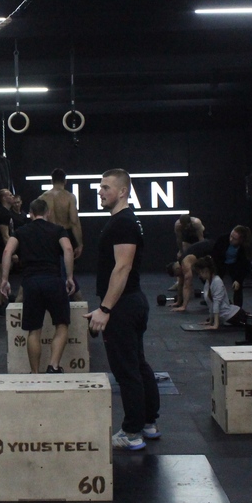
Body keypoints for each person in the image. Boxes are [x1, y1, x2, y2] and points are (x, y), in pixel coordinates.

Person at [84, 170, 160, 450]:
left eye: (106, 187)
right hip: (129, 302)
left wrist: (105, 308)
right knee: (137, 364)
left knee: (127, 370)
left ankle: (132, 432)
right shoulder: (123, 221)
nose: (100, 192)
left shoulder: (123, 222)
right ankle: (148, 423)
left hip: (123, 306)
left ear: (123, 191)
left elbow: (123, 268)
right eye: (100, 187)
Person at [0, 199, 76, 373]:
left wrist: (4, 279)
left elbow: (7, 251)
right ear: (48, 213)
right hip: (54, 281)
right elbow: (68, 249)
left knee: (34, 331)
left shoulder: (21, 231)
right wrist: (69, 277)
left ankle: (35, 373)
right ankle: (53, 366)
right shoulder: (58, 230)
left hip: (31, 283)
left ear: (31, 214)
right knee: (62, 324)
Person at [187, 257, 248, 330]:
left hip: (235, 315)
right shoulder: (208, 282)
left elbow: (216, 304)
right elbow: (211, 304)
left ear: (206, 270)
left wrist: (215, 325)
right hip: (224, 316)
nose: (199, 276)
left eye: (200, 273)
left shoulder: (217, 282)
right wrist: (210, 321)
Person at [40, 169, 83, 259]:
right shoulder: (70, 197)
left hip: (49, 235)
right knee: (67, 265)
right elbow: (74, 221)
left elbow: (38, 221)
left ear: (51, 181)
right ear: (65, 181)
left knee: (50, 264)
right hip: (65, 234)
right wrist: (79, 244)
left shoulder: (42, 198)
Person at [212, 225, 252, 307]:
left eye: (234, 239)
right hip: (221, 262)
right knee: (215, 283)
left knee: (238, 286)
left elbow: (244, 266)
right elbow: (215, 255)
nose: (231, 239)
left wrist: (238, 280)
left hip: (235, 265)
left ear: (241, 240)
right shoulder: (223, 239)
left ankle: (238, 308)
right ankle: (215, 303)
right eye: (231, 236)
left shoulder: (246, 247)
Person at [170, 237, 214, 312]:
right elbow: (180, 284)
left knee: (212, 279)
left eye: (177, 275)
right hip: (209, 248)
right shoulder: (181, 262)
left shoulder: (185, 263)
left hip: (214, 248)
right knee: (204, 278)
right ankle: (212, 299)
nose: (179, 277)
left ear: (177, 269)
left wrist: (184, 306)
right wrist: (178, 302)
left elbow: (187, 286)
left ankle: (219, 301)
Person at [0, 189, 18, 312]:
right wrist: (12, 252)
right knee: (1, 276)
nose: (12, 197)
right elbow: (5, 236)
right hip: (0, 249)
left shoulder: (6, 213)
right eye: (10, 195)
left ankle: (2, 301)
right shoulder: (3, 214)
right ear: (4, 198)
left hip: (2, 249)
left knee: (4, 276)